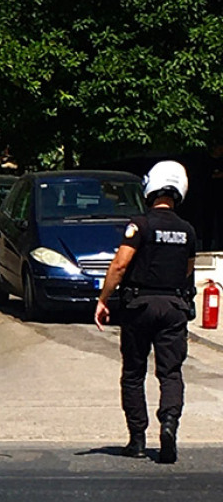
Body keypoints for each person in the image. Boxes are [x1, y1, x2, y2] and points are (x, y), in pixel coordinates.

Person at [95, 161, 196, 463]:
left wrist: (103, 298)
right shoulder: (188, 231)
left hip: (139, 306)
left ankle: (137, 440)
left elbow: (120, 265)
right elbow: (187, 272)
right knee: (171, 373)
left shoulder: (139, 224)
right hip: (174, 307)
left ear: (150, 188)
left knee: (133, 373)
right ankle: (169, 424)